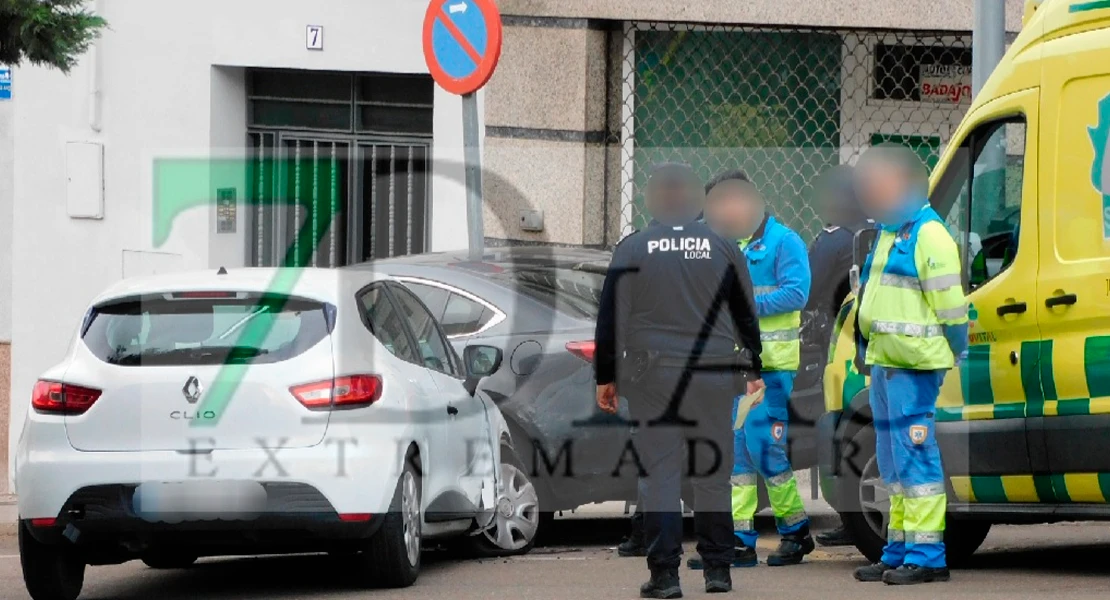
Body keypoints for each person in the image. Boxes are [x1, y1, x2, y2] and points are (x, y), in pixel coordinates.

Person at [595, 162, 764, 598]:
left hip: (656, 380)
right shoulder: (723, 246)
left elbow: (612, 320)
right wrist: (752, 368)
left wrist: (606, 378)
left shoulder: (633, 249)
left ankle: (665, 576)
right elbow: (747, 312)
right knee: (711, 472)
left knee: (661, 475)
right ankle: (718, 570)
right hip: (713, 376)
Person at [849, 145, 968, 586]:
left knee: (915, 462)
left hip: (914, 366)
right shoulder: (888, 230)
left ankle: (927, 556)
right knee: (894, 464)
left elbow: (951, 308)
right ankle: (897, 550)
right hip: (886, 362)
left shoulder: (928, 233)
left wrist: (956, 349)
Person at [688, 170, 815, 569]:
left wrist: (741, 308)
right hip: (738, 368)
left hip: (773, 369)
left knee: (763, 448)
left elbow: (797, 292)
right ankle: (739, 542)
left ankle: (794, 533)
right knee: (739, 456)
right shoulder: (730, 243)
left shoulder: (783, 241)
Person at [799, 165, 872, 548]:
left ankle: (852, 520)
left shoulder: (835, 239)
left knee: (841, 431)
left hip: (839, 345)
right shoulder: (878, 232)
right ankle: (859, 518)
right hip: (870, 342)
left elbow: (806, 290)